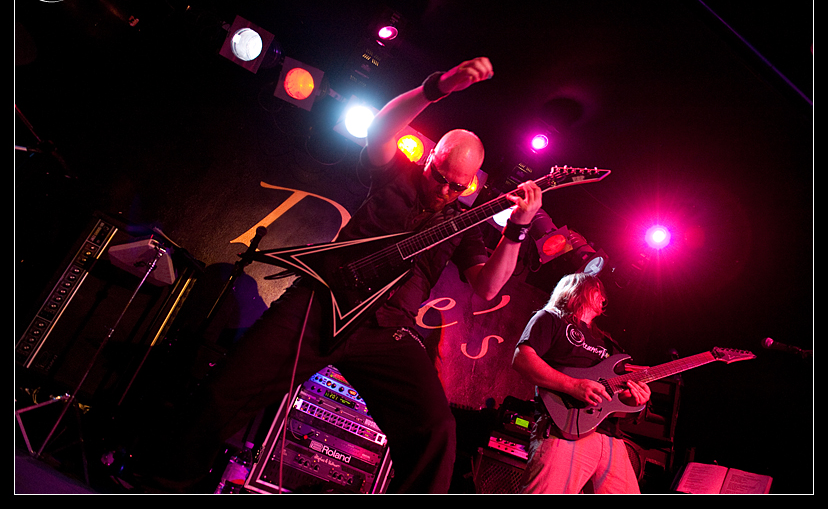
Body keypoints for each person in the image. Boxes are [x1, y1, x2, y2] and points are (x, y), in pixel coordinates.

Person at [139, 57, 543, 494]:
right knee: (227, 390)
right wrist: (439, 86)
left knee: (436, 430)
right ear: (430, 159)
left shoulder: (463, 225)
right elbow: (381, 128)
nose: (445, 191)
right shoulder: (396, 173)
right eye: (440, 177)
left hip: (387, 331)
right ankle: (166, 483)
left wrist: (518, 229)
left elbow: (488, 286)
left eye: (457, 187)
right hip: (323, 303)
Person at [512, 272, 651, 494]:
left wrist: (636, 399)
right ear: (577, 289)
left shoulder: (609, 343)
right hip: (564, 429)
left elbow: (617, 396)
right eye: (597, 290)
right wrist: (573, 386)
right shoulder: (550, 318)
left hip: (610, 437)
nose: (603, 298)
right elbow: (522, 359)